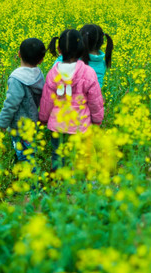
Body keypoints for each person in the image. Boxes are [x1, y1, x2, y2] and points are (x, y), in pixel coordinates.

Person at [39, 29, 104, 170]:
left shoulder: (53, 73)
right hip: (81, 123)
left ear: (59, 49)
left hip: (58, 124)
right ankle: (85, 181)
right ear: (82, 49)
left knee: (58, 154)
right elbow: (95, 101)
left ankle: (58, 181)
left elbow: (47, 100)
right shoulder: (89, 72)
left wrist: (43, 118)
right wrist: (97, 119)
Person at [0, 38, 46, 167]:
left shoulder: (16, 78)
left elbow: (11, 104)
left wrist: (2, 123)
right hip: (33, 122)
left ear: (18, 53)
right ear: (41, 60)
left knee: (24, 155)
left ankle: (31, 181)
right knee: (30, 149)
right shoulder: (39, 75)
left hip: (19, 127)